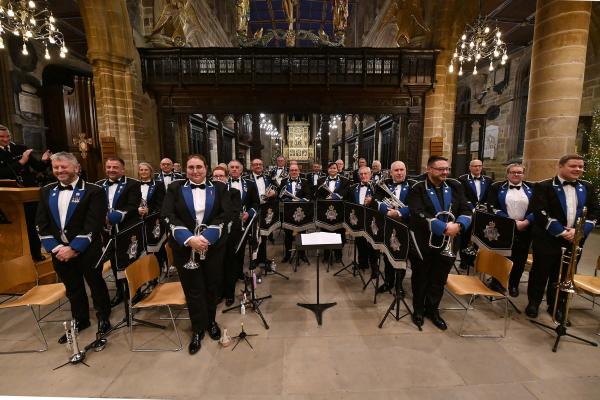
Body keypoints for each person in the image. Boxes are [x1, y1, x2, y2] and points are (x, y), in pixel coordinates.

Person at [35, 152, 111, 343]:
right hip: (59, 251)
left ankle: (103, 317)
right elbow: (41, 223)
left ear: (76, 168)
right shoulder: (46, 191)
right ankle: (80, 319)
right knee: (73, 287)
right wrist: (56, 248)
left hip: (87, 249)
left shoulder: (94, 191)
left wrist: (74, 248)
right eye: (56, 167)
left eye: (64, 167)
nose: (59, 171)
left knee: (96, 284)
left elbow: (93, 224)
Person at [161, 154, 232, 355]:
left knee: (211, 287)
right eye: (191, 167)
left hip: (212, 247)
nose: (195, 171)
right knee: (193, 289)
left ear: (206, 168)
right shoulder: (175, 188)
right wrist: (188, 238)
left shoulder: (219, 188)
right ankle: (198, 329)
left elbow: (226, 214)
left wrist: (207, 237)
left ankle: (211, 322)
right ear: (185, 169)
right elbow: (167, 214)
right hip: (185, 247)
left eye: (199, 167)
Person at [525, 154, 599, 323]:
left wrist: (579, 232)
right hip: (547, 238)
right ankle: (533, 303)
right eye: (573, 166)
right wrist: (561, 231)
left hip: (575, 239)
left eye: (580, 166)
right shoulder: (544, 186)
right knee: (540, 272)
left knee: (564, 275)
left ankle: (556, 306)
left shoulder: (587, 187)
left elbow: (595, 212)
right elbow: (539, 211)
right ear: (561, 166)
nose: (578, 169)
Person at [407, 155, 471, 330]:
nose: (445, 172)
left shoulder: (455, 186)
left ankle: (433, 310)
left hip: (449, 240)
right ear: (429, 169)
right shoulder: (417, 188)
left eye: (447, 169)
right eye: (441, 169)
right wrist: (443, 227)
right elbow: (417, 213)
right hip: (423, 242)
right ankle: (418, 310)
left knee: (438, 279)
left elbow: (466, 209)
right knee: (420, 278)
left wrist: (459, 225)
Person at [0, 124, 52, 261]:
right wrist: (22, 161)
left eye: (8, 136)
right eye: (2, 137)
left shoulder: (21, 148)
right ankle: (18, 257)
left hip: (28, 192)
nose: (6, 139)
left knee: (32, 224)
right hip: (7, 195)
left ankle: (35, 254)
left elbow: (38, 167)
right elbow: (3, 173)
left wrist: (45, 160)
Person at [96, 157, 142, 307]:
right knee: (114, 262)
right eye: (108, 167)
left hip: (126, 229)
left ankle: (136, 290)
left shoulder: (133, 184)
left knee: (130, 259)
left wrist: (115, 216)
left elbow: (133, 205)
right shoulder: (98, 185)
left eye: (115, 167)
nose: (111, 170)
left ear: (122, 169)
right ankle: (120, 291)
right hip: (106, 231)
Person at [486, 163, 534, 297]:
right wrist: (510, 221)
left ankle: (514, 284)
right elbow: (491, 206)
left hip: (525, 228)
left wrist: (526, 221)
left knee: (520, 258)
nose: (516, 174)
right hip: (503, 227)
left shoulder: (532, 188)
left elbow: (537, 207)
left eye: (519, 172)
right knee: (501, 255)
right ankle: (497, 282)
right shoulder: (496, 187)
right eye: (513, 172)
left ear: (523, 174)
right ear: (507, 174)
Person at [374, 160, 414, 296]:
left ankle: (399, 285)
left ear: (405, 171)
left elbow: (415, 205)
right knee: (387, 255)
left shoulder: (413, 186)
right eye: (396, 170)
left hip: (405, 225)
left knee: (402, 256)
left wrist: (399, 212)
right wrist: (387, 211)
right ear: (391, 173)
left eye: (402, 170)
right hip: (388, 224)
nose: (399, 173)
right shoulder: (383, 186)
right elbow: (377, 200)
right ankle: (388, 282)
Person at [222, 160, 258, 305]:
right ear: (228, 170)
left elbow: (256, 203)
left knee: (241, 252)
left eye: (237, 167)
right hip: (227, 227)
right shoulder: (223, 184)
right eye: (232, 167)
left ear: (242, 170)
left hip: (244, 226)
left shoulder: (249, 184)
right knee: (229, 258)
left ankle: (238, 274)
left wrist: (248, 213)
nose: (235, 169)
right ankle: (229, 292)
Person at [458, 159, 493, 269]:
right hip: (468, 212)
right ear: (470, 167)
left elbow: (490, 195)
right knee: (466, 236)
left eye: (479, 166)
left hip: (482, 213)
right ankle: (463, 260)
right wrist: (472, 208)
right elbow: (462, 196)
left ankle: (472, 259)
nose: (477, 168)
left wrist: (484, 207)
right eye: (475, 166)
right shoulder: (462, 179)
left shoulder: (488, 180)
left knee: (478, 236)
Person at [346, 166, 379, 280]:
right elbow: (349, 202)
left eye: (366, 174)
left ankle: (375, 268)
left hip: (372, 222)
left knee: (372, 245)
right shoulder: (353, 187)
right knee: (360, 243)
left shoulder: (376, 188)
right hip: (358, 221)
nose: (364, 176)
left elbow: (381, 203)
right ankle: (362, 263)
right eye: (361, 174)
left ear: (370, 175)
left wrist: (372, 201)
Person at [316, 161, 351, 262]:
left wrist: (337, 196)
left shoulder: (345, 180)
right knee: (325, 232)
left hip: (339, 211)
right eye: (330, 168)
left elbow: (346, 192)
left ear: (338, 169)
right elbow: (317, 194)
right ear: (327, 170)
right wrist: (325, 198)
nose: (332, 170)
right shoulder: (321, 180)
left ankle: (338, 256)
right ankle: (326, 255)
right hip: (325, 211)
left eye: (334, 168)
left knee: (339, 232)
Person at [279, 163, 311, 263]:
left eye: (295, 170)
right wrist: (288, 200)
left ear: (299, 171)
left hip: (301, 211)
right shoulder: (284, 181)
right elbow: (280, 196)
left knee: (302, 233)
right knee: (288, 234)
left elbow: (308, 195)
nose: (294, 172)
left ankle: (302, 254)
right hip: (288, 211)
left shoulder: (305, 181)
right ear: (289, 171)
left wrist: (300, 200)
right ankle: (287, 255)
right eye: (292, 170)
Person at [137, 162, 167, 272]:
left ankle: (159, 268)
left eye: (146, 170)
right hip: (138, 220)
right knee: (142, 246)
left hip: (154, 219)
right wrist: (137, 210)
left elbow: (161, 202)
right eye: (141, 170)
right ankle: (146, 271)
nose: (143, 172)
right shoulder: (134, 185)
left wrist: (150, 211)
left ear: (151, 171)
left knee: (156, 245)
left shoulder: (158, 184)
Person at [248, 158, 277, 269]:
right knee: (253, 235)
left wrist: (274, 193)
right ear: (252, 166)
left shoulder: (268, 178)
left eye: (260, 164)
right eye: (256, 164)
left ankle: (263, 258)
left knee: (264, 235)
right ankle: (254, 259)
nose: (258, 166)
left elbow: (277, 189)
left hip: (266, 209)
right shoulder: (247, 179)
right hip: (253, 209)